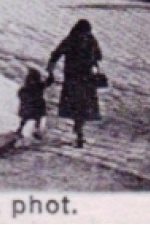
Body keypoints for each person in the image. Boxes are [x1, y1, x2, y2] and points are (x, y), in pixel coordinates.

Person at [46, 19, 104, 148]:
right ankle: (79, 131)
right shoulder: (90, 40)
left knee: (76, 106)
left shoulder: (70, 39)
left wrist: (50, 71)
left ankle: (79, 131)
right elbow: (99, 56)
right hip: (85, 80)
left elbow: (55, 55)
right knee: (82, 107)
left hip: (73, 79)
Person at [15, 66, 50, 142]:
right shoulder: (37, 86)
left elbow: (20, 94)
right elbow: (21, 94)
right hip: (34, 106)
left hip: (33, 106)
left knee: (32, 119)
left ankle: (31, 131)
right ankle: (23, 130)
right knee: (31, 119)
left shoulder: (32, 86)